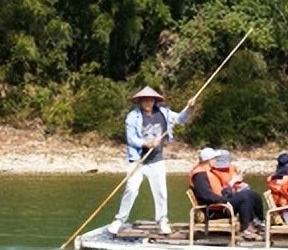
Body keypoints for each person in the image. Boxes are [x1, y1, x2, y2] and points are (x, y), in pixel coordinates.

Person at [108, 85, 191, 236]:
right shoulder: (133, 117)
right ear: (140, 101)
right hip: (138, 160)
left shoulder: (163, 112)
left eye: (150, 100)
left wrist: (189, 108)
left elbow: (181, 120)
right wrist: (146, 143)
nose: (148, 103)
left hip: (156, 159)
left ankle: (162, 220)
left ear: (154, 101)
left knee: (160, 191)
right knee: (131, 189)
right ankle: (119, 220)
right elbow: (131, 138)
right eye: (145, 100)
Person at [191, 147, 265, 240]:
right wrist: (224, 200)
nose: (215, 161)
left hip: (221, 202)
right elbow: (206, 196)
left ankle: (258, 221)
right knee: (244, 197)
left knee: (252, 194)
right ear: (208, 160)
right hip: (215, 208)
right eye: (214, 159)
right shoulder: (199, 176)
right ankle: (245, 229)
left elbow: (220, 190)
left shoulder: (209, 172)